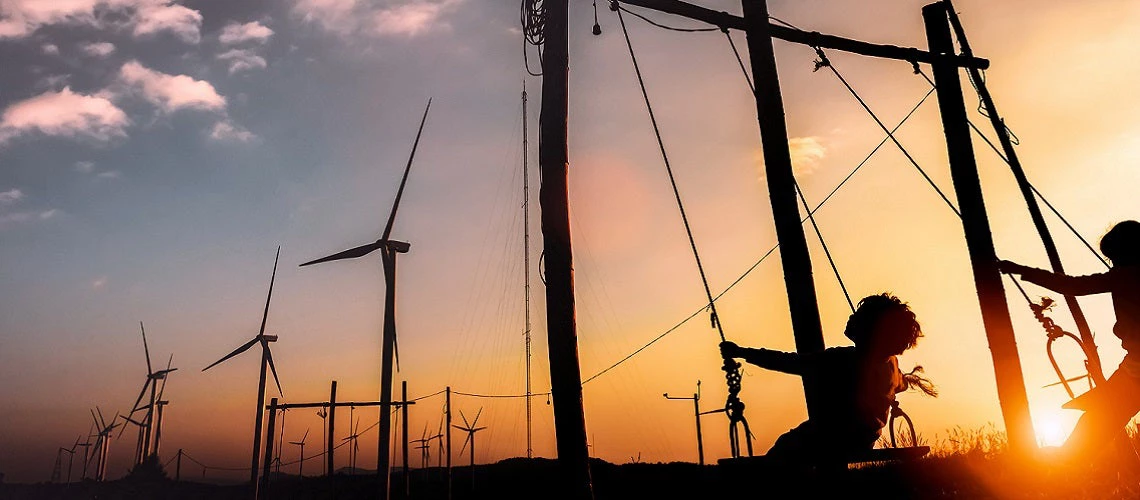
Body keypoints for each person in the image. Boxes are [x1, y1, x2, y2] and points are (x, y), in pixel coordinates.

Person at [720, 293, 934, 463]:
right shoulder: (891, 364)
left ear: (872, 330)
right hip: (863, 440)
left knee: (784, 449)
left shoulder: (844, 361)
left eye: (859, 317)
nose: (851, 317)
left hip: (829, 437)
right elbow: (900, 384)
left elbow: (789, 362)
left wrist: (742, 352)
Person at [1000, 220, 1140, 464]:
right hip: (1134, 366)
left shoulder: (1127, 274)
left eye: (1115, 258)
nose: (1113, 266)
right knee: (1101, 417)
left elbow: (1075, 286)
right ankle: (1066, 465)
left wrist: (1022, 270)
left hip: (1136, 369)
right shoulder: (1126, 273)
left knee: (1101, 418)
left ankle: (1064, 467)